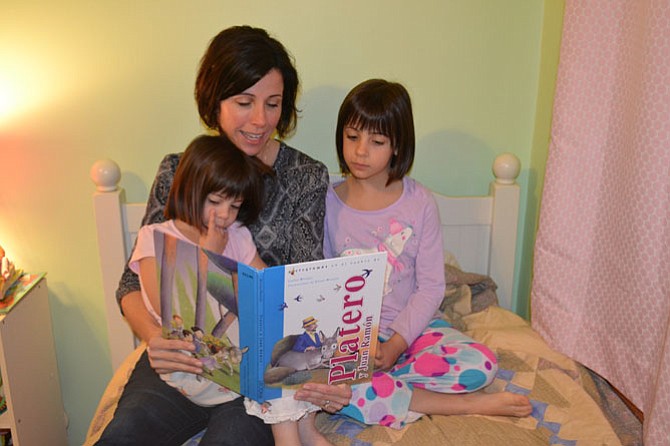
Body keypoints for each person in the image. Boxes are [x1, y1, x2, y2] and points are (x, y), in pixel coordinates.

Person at [96, 25, 350, 446]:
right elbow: (130, 282)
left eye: (272, 104)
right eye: (243, 102)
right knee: (124, 433)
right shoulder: (183, 171)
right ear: (214, 101)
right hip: (180, 362)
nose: (260, 120)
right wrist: (155, 338)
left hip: (253, 369)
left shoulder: (306, 177)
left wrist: (319, 364)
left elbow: (304, 285)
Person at [317, 79, 533, 430]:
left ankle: (392, 386)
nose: (360, 151)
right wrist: (360, 344)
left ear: (397, 145)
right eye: (352, 136)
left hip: (412, 333)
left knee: (481, 365)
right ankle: (458, 405)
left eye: (377, 141)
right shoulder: (326, 202)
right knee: (331, 391)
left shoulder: (419, 204)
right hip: (352, 339)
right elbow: (325, 285)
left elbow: (432, 286)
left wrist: (397, 344)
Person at [128, 134, 267, 405]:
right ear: (189, 189)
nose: (225, 214)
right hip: (184, 371)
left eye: (235, 205)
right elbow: (170, 307)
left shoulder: (238, 235)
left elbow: (265, 288)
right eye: (215, 201)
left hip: (236, 371)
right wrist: (210, 254)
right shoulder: (154, 238)